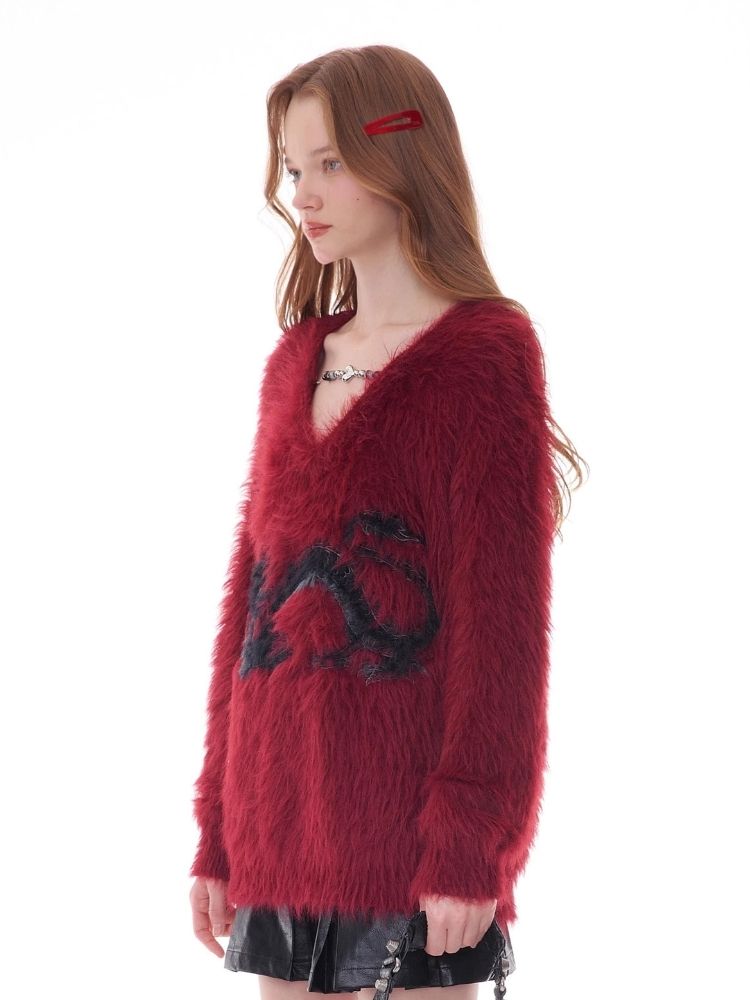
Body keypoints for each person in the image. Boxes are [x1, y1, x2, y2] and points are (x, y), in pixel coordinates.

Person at [188, 44, 586, 1000]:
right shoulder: (296, 361)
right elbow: (250, 611)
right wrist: (216, 833)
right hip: (279, 828)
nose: (303, 194)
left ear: (401, 155)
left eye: (331, 162)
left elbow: (501, 625)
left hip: (407, 846)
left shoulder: (483, 356)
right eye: (295, 168)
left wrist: (473, 841)